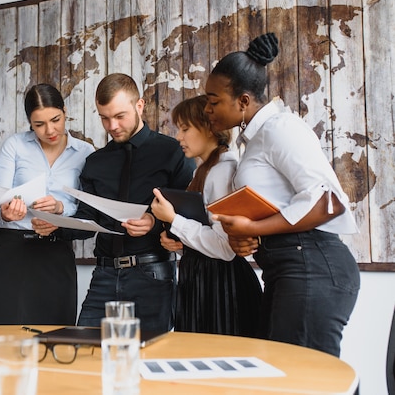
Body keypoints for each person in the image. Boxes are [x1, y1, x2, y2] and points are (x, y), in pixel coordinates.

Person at [204, 33, 360, 357]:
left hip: (312, 266)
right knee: (279, 377)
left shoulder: (280, 128)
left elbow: (327, 202)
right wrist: (245, 238)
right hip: (288, 269)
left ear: (243, 101)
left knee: (303, 381)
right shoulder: (255, 140)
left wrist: (254, 230)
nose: (207, 109)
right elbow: (281, 207)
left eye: (213, 100)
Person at [33, 73, 196, 332]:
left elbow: (189, 215)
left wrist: (154, 223)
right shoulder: (96, 162)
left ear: (139, 106)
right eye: (104, 117)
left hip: (153, 273)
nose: (112, 126)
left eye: (119, 116)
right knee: (84, 354)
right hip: (104, 276)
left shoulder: (173, 152)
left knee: (150, 360)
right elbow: (89, 218)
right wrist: (57, 225)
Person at [150, 95, 262, 337]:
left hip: (220, 288)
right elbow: (208, 236)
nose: (179, 137)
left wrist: (174, 221)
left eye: (185, 129)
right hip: (204, 283)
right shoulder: (205, 170)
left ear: (210, 128)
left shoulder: (222, 171)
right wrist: (180, 244)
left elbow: (225, 248)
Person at [0, 83, 95, 325]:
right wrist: (5, 213)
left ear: (65, 111)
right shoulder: (14, 146)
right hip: (13, 251)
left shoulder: (85, 152)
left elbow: (90, 211)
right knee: (9, 338)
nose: (50, 130)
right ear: (29, 122)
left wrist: (60, 209)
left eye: (56, 119)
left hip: (56, 253)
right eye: (39, 124)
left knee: (58, 334)